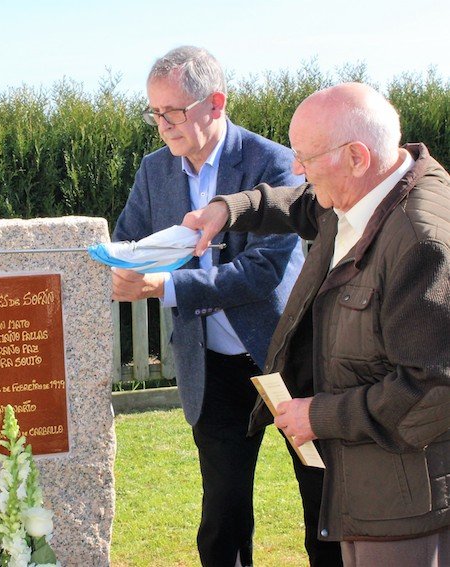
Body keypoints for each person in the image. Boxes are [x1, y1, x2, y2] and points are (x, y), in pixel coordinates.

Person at [184, 82, 450, 566]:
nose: (298, 169)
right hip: (367, 490)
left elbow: (430, 392)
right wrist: (228, 209)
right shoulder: (359, 196)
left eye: (306, 157)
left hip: (405, 507)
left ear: (356, 156)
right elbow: (295, 203)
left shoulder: (422, 242)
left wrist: (317, 416)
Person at [112, 46, 342, 566]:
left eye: (173, 111)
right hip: (209, 366)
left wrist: (162, 288)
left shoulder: (274, 161)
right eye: (154, 113)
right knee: (222, 517)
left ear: (215, 103)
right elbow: (129, 241)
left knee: (322, 503)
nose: (162, 125)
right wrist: (116, 268)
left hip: (284, 363)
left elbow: (261, 273)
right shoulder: (154, 171)